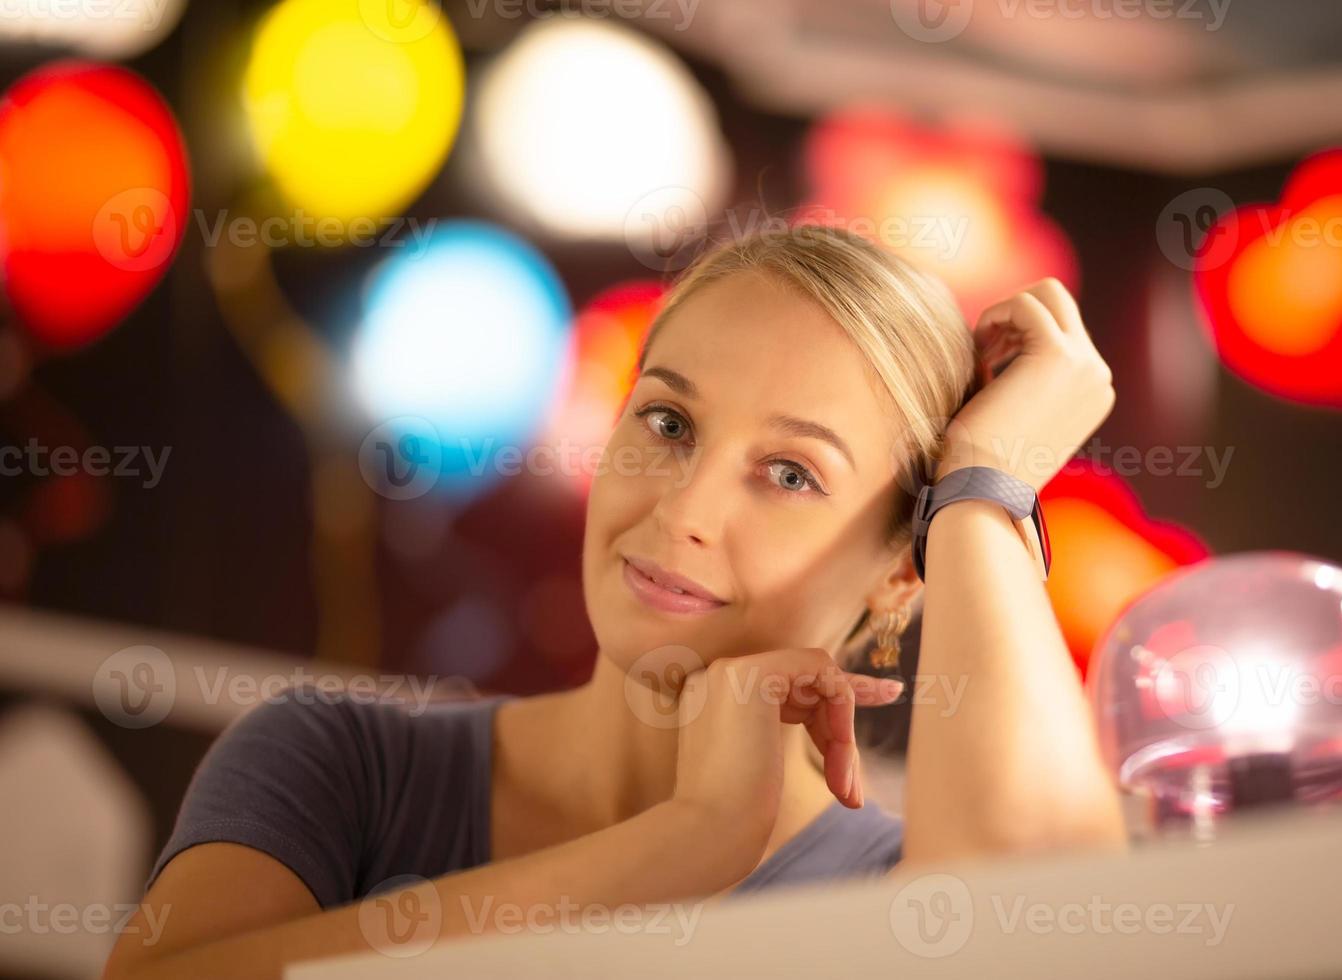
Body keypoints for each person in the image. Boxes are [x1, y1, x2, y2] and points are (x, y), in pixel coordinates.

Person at [103, 223, 1125, 979]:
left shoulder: (889, 894)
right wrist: (685, 839)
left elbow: (1045, 929)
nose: (683, 508)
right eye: (671, 421)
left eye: (791, 473)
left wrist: (987, 480)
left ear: (905, 561)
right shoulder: (343, 765)